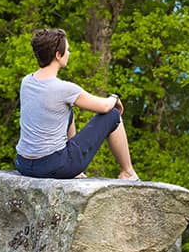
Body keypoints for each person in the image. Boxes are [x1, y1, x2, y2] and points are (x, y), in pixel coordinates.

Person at [15, 28, 139, 180]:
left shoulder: (27, 81)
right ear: (57, 55)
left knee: (67, 111)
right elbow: (105, 107)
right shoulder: (64, 89)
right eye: (67, 50)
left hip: (23, 164)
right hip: (54, 167)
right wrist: (115, 98)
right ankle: (128, 172)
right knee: (112, 115)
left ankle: (75, 168)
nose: (69, 53)